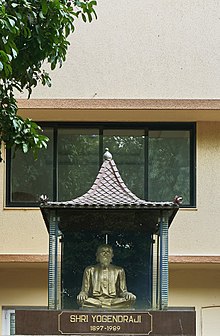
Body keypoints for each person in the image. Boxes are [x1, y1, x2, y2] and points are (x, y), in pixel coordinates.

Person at [77, 244, 136, 309]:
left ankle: (104, 306)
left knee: (129, 300)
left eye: (108, 252)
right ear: (97, 255)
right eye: (103, 252)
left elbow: (123, 291)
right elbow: (85, 291)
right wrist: (82, 294)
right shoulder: (89, 270)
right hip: (95, 301)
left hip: (113, 301)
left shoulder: (119, 270)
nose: (105, 254)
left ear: (112, 255)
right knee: (83, 301)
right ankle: (108, 306)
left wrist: (128, 294)